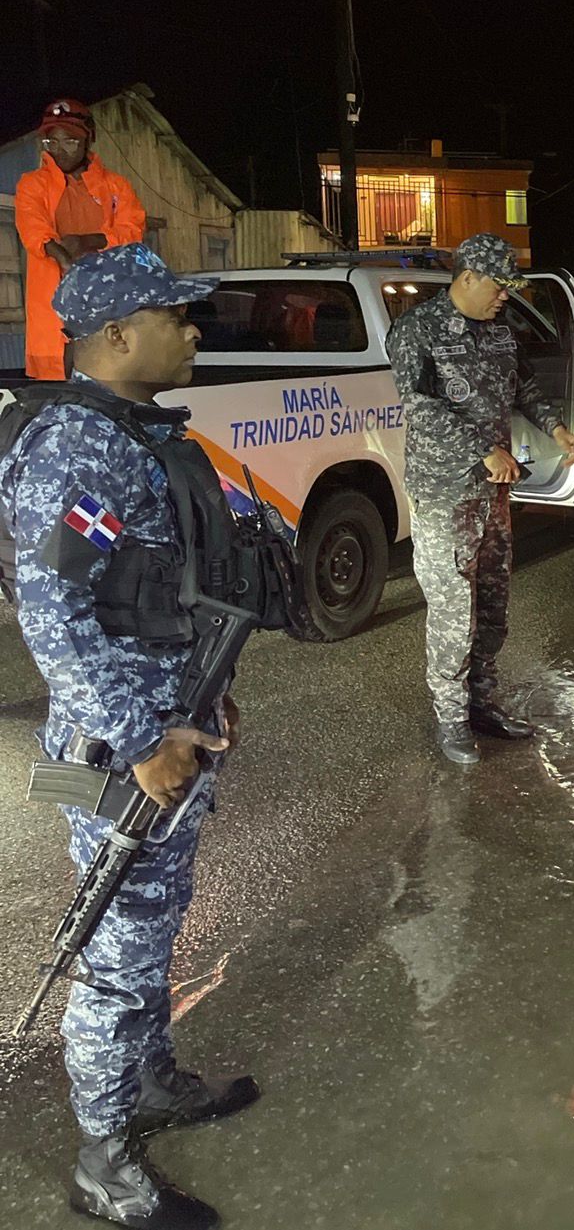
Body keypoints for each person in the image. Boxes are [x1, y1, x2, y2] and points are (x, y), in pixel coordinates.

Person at [0, 245, 262, 1229]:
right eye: (178, 317)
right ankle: (105, 1161)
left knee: (151, 925)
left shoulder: (137, 434)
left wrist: (204, 701)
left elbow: (164, 592)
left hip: (171, 730)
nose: (195, 333)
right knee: (115, 953)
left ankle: (151, 1082)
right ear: (116, 336)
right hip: (126, 755)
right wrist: (147, 735)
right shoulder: (81, 449)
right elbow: (58, 618)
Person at [386, 233, 574, 765]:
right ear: (468, 276)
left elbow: (522, 388)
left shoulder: (500, 330)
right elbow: (419, 405)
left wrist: (557, 426)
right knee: (455, 610)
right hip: (445, 491)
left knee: (493, 603)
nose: (504, 297)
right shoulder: (417, 330)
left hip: (493, 492)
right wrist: (482, 450)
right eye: (499, 286)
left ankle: (481, 705)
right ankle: (451, 720)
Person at [14, 98, 146, 380]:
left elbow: (132, 231)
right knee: (59, 398)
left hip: (106, 307)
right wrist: (63, 258)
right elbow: (33, 228)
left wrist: (90, 241)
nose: (60, 150)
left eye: (70, 141)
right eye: (52, 142)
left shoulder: (116, 186)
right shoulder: (32, 184)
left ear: (89, 138)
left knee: (109, 386)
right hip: (54, 314)